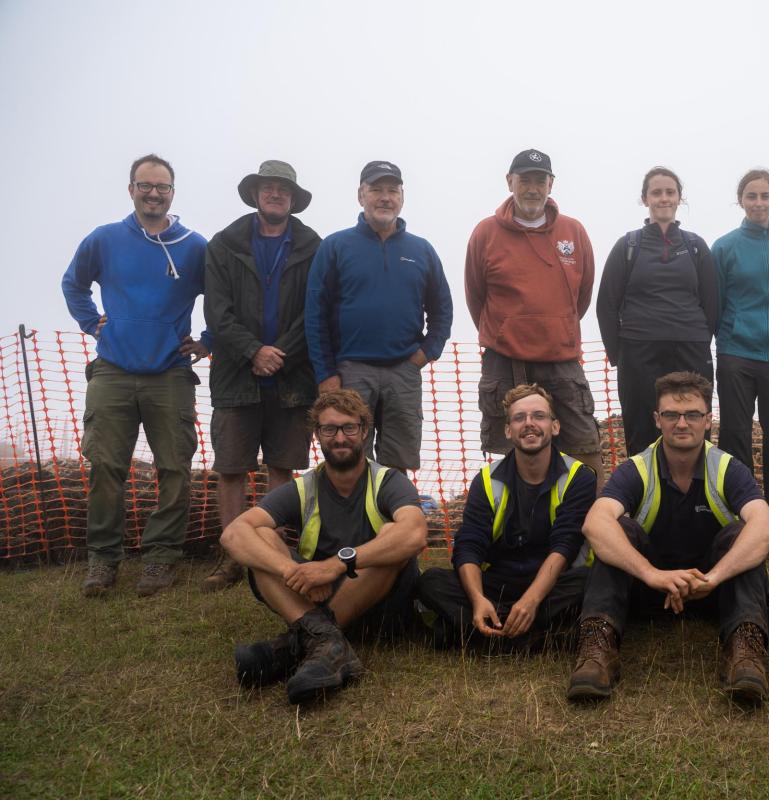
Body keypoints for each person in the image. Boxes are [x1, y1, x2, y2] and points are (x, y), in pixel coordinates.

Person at [567, 372, 769, 705]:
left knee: (743, 533)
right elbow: (595, 522)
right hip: (650, 589)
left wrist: (712, 578)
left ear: (708, 420)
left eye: (692, 414)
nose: (682, 423)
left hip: (714, 591)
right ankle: (596, 650)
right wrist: (653, 575)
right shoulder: (636, 469)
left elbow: (766, 526)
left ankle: (745, 651)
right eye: (671, 415)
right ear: (657, 419)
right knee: (618, 529)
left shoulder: (727, 468)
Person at [62, 154, 210, 598]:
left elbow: (224, 297)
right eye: (144, 185)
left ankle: (161, 560)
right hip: (113, 371)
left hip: (170, 373)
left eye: (161, 187)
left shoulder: (194, 245)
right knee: (106, 465)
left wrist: (209, 339)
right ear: (131, 190)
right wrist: (91, 322)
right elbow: (73, 283)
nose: (153, 193)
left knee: (174, 469)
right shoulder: (104, 239)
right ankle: (103, 561)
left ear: (172, 193)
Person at [220, 389, 427, 705]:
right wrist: (292, 570)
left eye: (348, 428)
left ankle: (296, 644)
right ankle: (326, 644)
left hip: (379, 605)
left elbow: (414, 535)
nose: (340, 437)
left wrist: (335, 565)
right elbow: (233, 534)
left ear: (364, 431)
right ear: (317, 434)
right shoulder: (304, 486)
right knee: (260, 538)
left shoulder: (387, 481)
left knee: (392, 535)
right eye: (329, 429)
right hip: (316, 593)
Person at [202, 160, 322, 592]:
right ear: (255, 194)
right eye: (267, 188)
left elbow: (314, 311)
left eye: (283, 190)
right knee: (231, 469)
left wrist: (278, 356)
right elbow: (216, 311)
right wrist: (253, 350)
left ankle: (274, 554)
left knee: (281, 468)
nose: (275, 194)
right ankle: (232, 556)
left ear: (293, 199)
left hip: (291, 379)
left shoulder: (313, 247)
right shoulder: (223, 245)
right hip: (236, 375)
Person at [465, 148, 604, 487]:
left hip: (562, 358)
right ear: (509, 182)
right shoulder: (485, 232)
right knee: (508, 448)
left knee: (585, 444)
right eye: (524, 179)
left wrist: (556, 326)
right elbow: (476, 296)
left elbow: (581, 296)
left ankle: (598, 527)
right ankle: (513, 529)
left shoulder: (574, 232)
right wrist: (504, 331)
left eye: (539, 181)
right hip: (504, 362)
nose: (531, 188)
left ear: (551, 184)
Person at [417, 384, 595, 648]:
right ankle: (537, 637)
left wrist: (531, 601)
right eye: (519, 418)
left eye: (539, 416)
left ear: (555, 426)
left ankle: (477, 635)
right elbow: (469, 545)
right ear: (508, 430)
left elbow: (565, 544)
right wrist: (477, 599)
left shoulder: (579, 476)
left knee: (593, 580)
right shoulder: (486, 480)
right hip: (499, 584)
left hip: (554, 583)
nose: (529, 423)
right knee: (431, 581)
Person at [305, 160, 453, 472]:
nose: (385, 197)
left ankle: (396, 520)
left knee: (399, 460)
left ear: (402, 197)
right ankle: (353, 522)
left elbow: (442, 309)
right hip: (349, 372)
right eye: (376, 190)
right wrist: (325, 373)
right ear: (361, 195)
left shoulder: (422, 250)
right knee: (349, 456)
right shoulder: (336, 246)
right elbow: (315, 314)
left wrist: (425, 354)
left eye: (392, 190)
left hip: (404, 371)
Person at [596, 167, 718, 455]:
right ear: (645, 199)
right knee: (642, 429)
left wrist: (698, 338)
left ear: (679, 198)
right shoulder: (628, 245)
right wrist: (620, 355)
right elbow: (606, 305)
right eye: (656, 192)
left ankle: (699, 497)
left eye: (670, 192)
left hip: (690, 350)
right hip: (639, 351)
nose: (664, 198)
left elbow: (712, 303)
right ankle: (644, 496)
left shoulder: (696, 246)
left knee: (693, 427)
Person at [711, 168, 769, 542]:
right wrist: (727, 339)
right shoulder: (724, 247)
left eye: (765, 196)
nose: (759, 203)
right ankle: (740, 518)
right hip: (736, 355)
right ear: (741, 200)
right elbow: (716, 302)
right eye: (752, 196)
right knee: (734, 440)